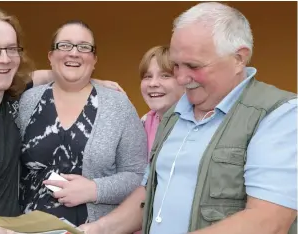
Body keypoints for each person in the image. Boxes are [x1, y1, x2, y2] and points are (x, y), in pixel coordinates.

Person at [80, 2, 297, 234]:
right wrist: (97, 230)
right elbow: (149, 195)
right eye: (176, 65)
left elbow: (267, 221)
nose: (181, 78)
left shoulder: (279, 113)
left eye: (193, 66)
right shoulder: (175, 113)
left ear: (239, 58)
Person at [0, 7, 126, 234]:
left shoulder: (10, 94)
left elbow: (47, 74)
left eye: (11, 49)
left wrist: (93, 79)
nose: (4, 59)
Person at [16, 20, 148, 227]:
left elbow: (139, 175)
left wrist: (95, 189)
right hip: (27, 228)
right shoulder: (27, 102)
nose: (74, 53)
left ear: (94, 59)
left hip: (94, 228)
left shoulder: (118, 105)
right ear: (51, 56)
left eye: (84, 47)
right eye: (65, 45)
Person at [136, 45, 185, 234]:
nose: (153, 83)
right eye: (147, 76)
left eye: (165, 75)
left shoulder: (198, 125)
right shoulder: (142, 124)